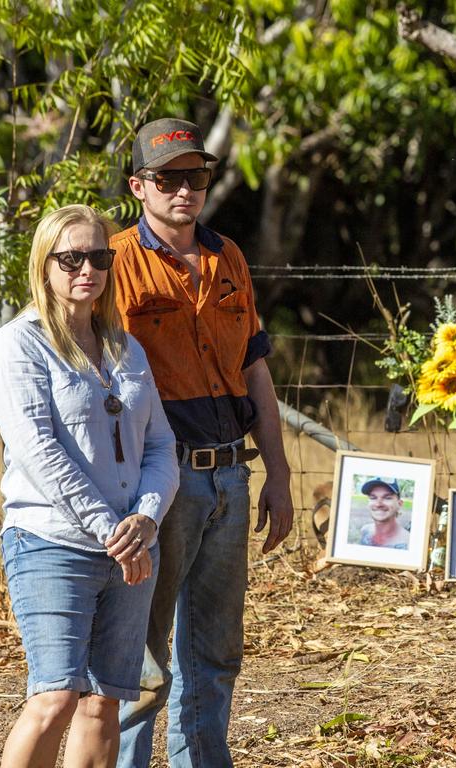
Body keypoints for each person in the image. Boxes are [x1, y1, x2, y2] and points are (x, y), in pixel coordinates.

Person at [111, 118, 294, 766]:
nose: (184, 190)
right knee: (142, 656)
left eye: (196, 176)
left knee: (215, 652)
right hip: (159, 484)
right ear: (139, 186)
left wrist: (279, 473)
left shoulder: (229, 256)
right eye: (168, 178)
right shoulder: (111, 263)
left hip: (230, 478)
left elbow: (255, 369)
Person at [0, 205, 179, 767]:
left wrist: (146, 517)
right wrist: (109, 528)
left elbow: (162, 446)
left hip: (131, 548)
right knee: (55, 695)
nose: (85, 269)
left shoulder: (126, 348)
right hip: (52, 543)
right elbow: (39, 451)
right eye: (70, 258)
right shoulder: (17, 345)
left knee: (105, 702)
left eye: (98, 256)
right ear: (44, 266)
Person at [357, 477, 410, 548]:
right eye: (373, 498)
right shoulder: (365, 531)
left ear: (399, 504)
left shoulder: (408, 543)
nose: (378, 504)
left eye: (387, 498)